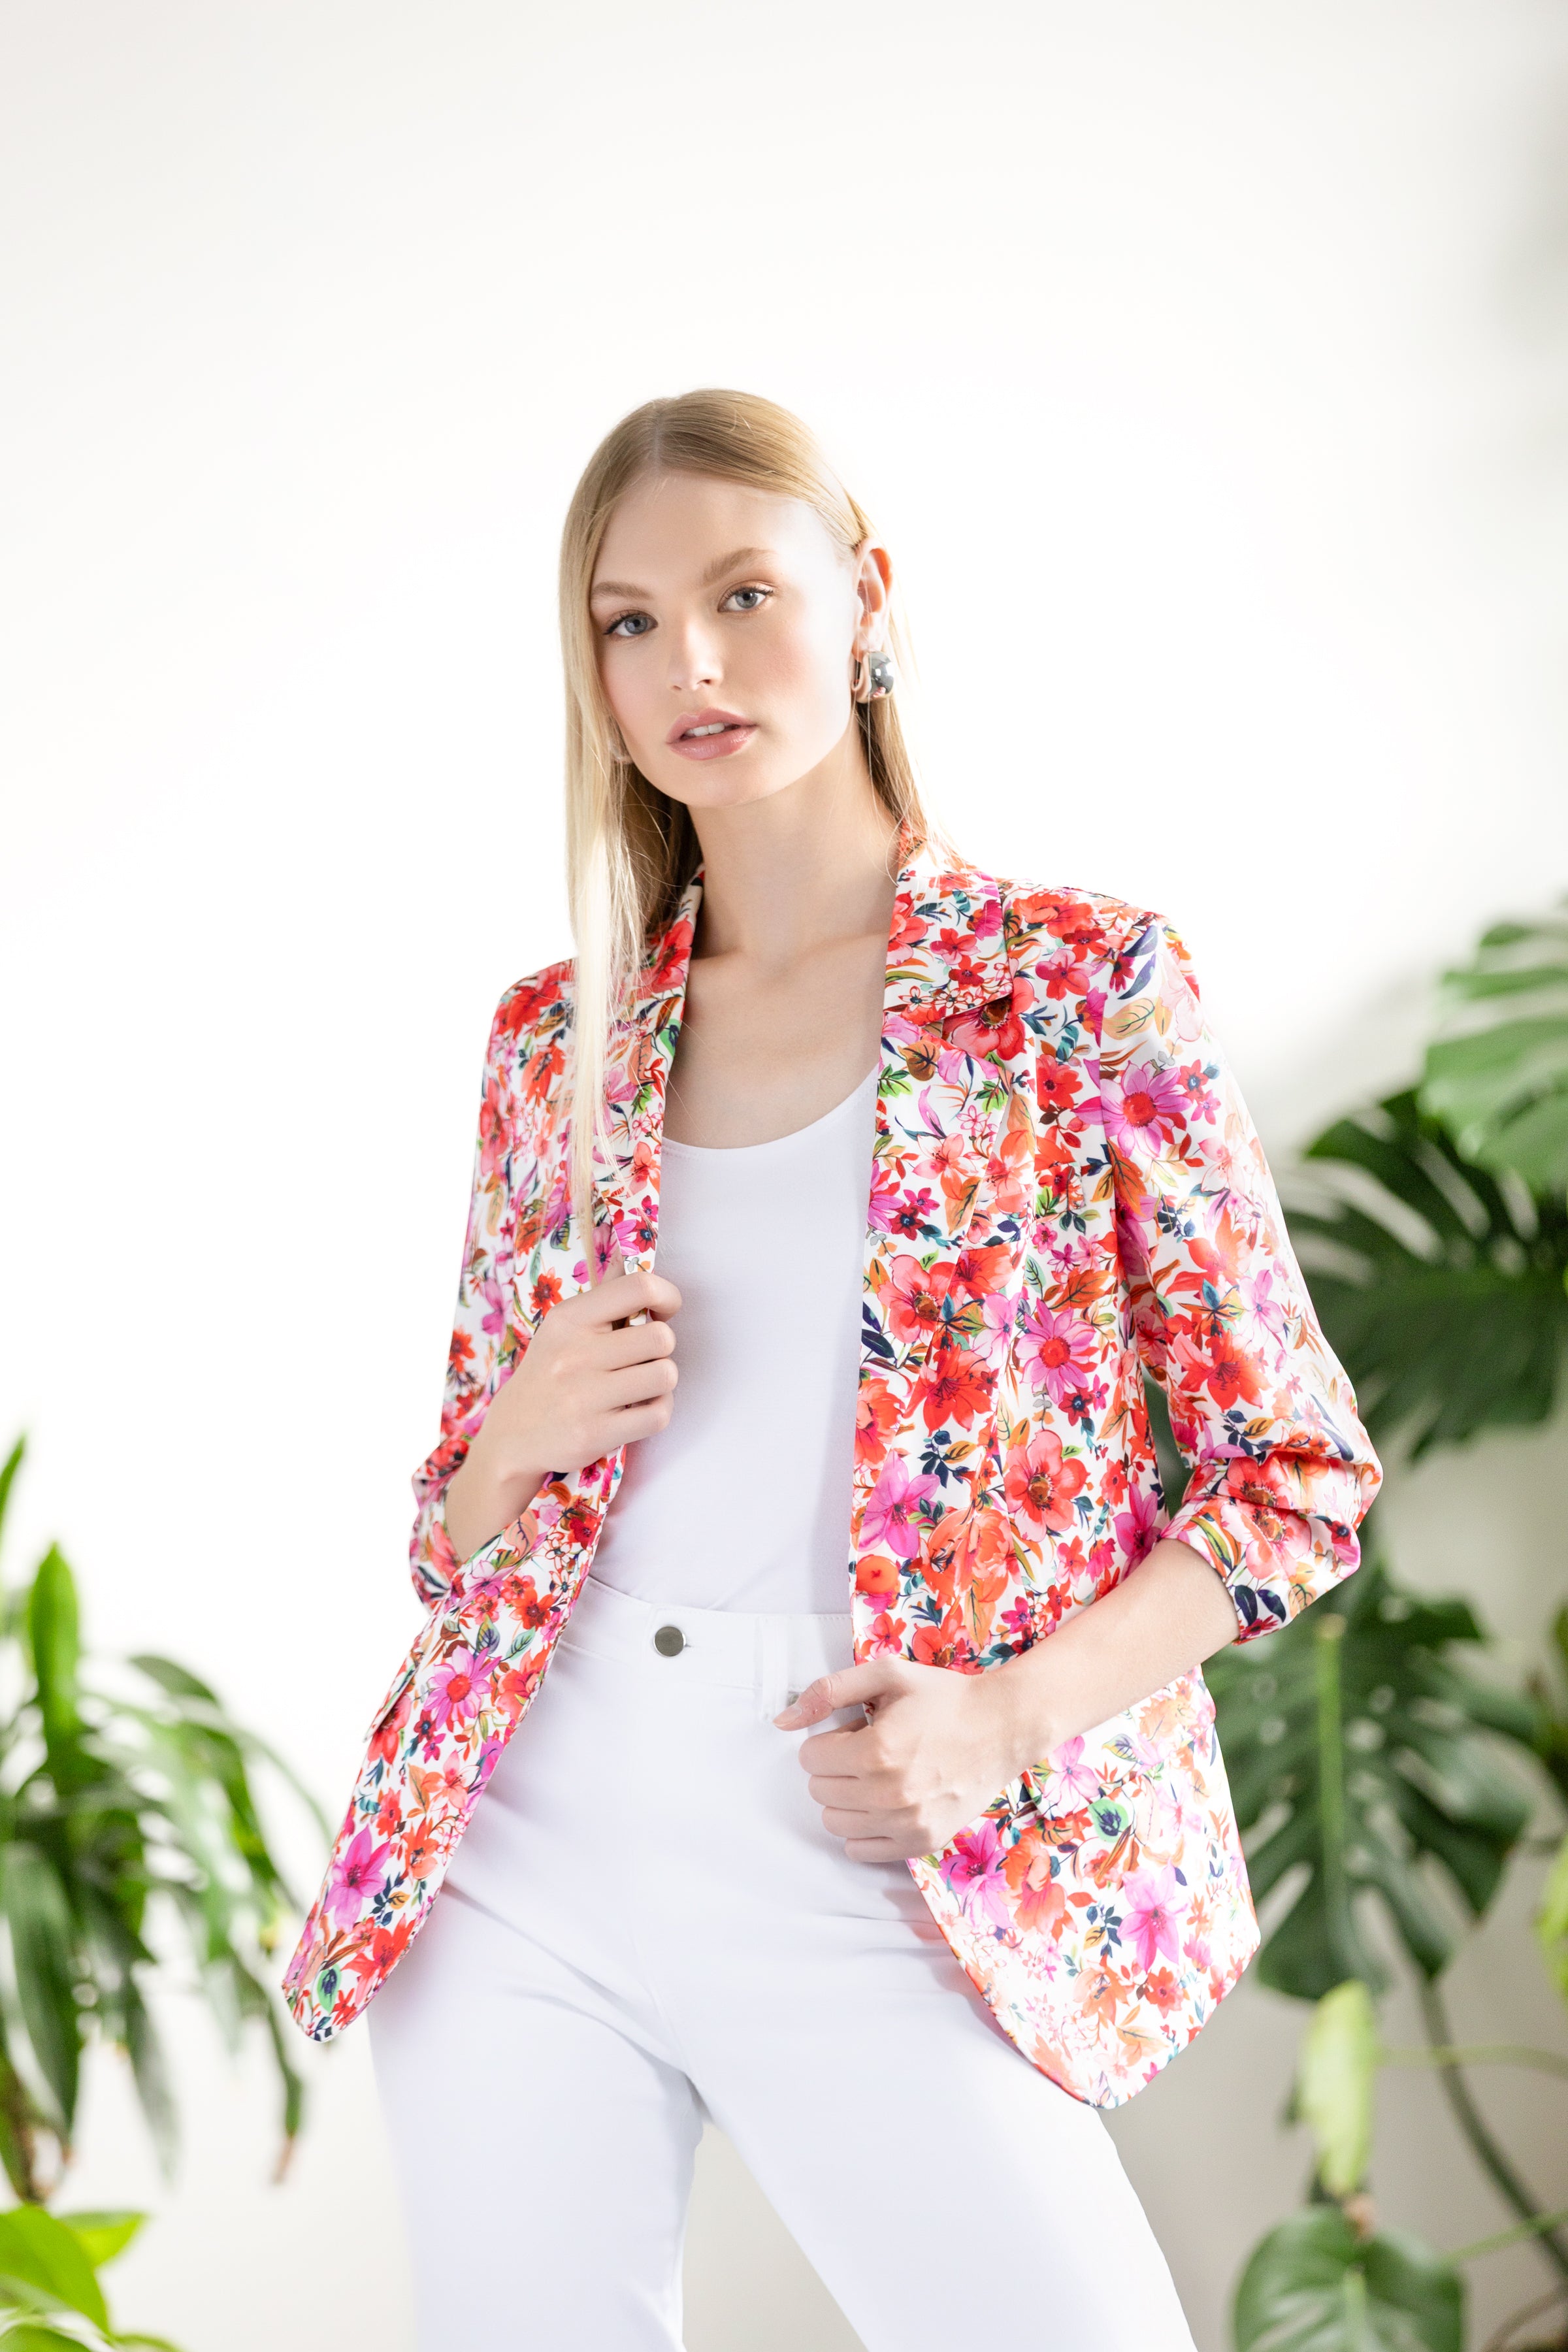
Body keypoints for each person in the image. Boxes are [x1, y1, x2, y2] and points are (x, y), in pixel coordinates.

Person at [283, 389, 1381, 2351]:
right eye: (627, 622)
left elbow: (1295, 1475)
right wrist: (513, 1439)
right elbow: (458, 1548)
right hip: (530, 1823)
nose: (688, 664)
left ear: (864, 597)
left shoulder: (1077, 986)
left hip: (870, 1808)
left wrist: (1007, 1719)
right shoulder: (560, 1039)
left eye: (741, 592)